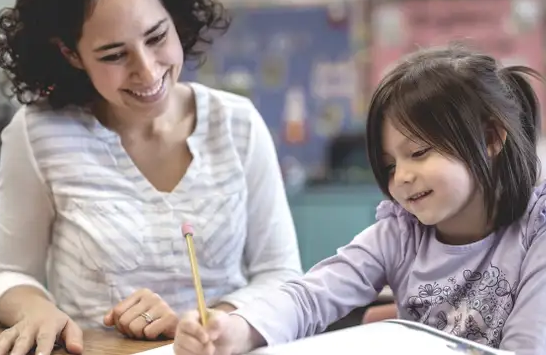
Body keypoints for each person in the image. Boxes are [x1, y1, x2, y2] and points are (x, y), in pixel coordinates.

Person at [0, 0, 303, 355]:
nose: (147, 72)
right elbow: (6, 273)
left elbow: (282, 275)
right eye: (114, 55)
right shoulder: (38, 134)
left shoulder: (237, 124)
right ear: (71, 53)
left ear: (175, 19)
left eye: (157, 36)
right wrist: (37, 309)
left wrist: (208, 320)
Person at [174, 46, 546, 355]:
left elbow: (529, 345)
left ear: (492, 138)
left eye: (418, 152)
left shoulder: (536, 230)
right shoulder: (400, 233)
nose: (401, 177)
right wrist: (236, 330)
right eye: (388, 166)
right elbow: (311, 296)